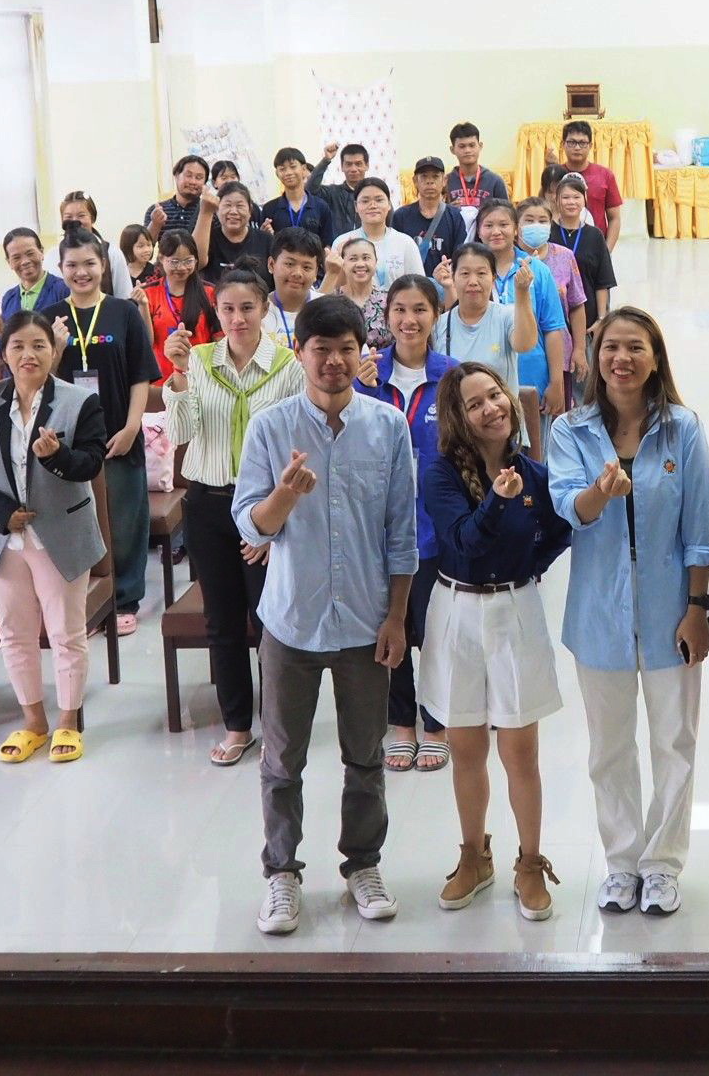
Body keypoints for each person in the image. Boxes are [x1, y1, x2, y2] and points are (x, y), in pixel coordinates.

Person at [238, 295, 418, 936]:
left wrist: (397, 617)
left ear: (361, 353)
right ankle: (282, 874)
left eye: (346, 349)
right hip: (292, 619)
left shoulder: (388, 426)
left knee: (365, 756)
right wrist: (284, 496)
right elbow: (251, 524)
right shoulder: (270, 427)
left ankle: (362, 864)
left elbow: (402, 533)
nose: (335, 361)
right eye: (322, 349)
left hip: (366, 621)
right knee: (282, 759)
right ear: (301, 353)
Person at [550, 307, 709, 917]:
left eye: (635, 347)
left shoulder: (683, 429)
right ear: (595, 359)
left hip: (671, 611)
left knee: (675, 741)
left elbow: (699, 527)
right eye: (610, 348)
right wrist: (600, 491)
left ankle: (662, 864)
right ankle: (622, 862)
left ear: (655, 358)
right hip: (598, 614)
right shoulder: (570, 430)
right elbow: (570, 508)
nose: (621, 358)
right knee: (609, 748)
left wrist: (697, 607)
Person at [419, 362, 573, 920]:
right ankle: (474, 855)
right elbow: (463, 543)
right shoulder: (440, 474)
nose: (492, 409)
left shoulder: (533, 473)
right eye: (475, 403)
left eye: (495, 395)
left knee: (520, 751)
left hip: (515, 612)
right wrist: (497, 501)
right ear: (458, 418)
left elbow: (560, 531)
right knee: (466, 748)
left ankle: (529, 863)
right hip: (457, 610)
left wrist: (529, 565)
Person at [164, 267, 307, 766]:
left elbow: (295, 444)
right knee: (221, 621)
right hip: (207, 503)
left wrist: (269, 526)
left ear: (265, 309)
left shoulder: (289, 367)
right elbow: (180, 434)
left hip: (265, 507)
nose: (237, 318)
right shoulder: (199, 361)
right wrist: (178, 376)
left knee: (270, 620)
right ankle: (237, 726)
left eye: (247, 308)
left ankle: (277, 725)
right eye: (227, 309)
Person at [0, 310, 109, 764]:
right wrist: (0, 513)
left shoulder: (80, 401)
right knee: (14, 633)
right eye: (18, 345)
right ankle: (33, 723)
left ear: (53, 351)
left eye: (39, 345)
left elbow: (91, 463)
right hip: (4, 539)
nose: (28, 354)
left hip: (61, 534)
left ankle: (68, 723)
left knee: (66, 633)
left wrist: (58, 456)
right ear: (3, 353)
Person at [359, 274, 460, 776]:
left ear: (435, 315)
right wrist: (358, 387)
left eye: (419, 309)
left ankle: (436, 723)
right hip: (380, 525)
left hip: (436, 527)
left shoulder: (453, 376)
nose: (409, 320)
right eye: (399, 309)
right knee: (389, 624)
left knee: (435, 628)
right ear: (387, 316)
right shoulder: (367, 375)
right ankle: (401, 721)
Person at [51, 229, 154, 636]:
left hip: (118, 432)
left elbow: (141, 374)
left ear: (104, 266)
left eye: (89, 263)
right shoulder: (51, 318)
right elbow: (38, 379)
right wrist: (55, 349)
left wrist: (132, 426)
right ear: (61, 269)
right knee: (77, 521)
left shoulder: (123, 312)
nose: (81, 272)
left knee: (124, 519)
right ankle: (88, 602)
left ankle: (125, 598)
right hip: (69, 439)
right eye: (72, 265)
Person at [475, 200, 569, 459]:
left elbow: (553, 328)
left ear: (516, 229)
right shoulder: (473, 273)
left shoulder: (537, 270)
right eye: (489, 225)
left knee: (533, 457)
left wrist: (556, 382)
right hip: (485, 380)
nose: (496, 231)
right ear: (479, 231)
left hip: (532, 378)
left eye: (504, 224)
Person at [433, 241, 539, 399]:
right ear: (453, 276)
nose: (473, 281)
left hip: (500, 413)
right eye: (465, 273)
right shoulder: (439, 325)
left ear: (493, 277)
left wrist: (522, 292)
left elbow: (525, 344)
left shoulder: (506, 316)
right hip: (456, 413)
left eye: (481, 273)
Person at [516, 196, 590, 380]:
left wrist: (579, 349)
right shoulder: (509, 259)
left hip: (559, 351)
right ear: (517, 226)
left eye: (542, 221)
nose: (536, 225)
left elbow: (576, 304)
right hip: (519, 354)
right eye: (529, 220)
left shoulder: (565, 256)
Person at [138, 230, 220, 381]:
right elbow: (146, 343)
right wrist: (142, 305)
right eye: (174, 261)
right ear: (161, 258)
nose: (182, 267)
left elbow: (220, 339)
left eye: (188, 261)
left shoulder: (210, 292)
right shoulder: (148, 294)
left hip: (202, 379)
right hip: (162, 381)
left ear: (196, 260)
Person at [0, 227, 71, 352]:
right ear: (9, 262)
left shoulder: (63, 289)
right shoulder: (9, 297)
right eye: (16, 257)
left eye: (30, 253)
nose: (25, 261)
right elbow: (1, 346)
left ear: (41, 252)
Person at [333, 177, 426, 289]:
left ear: (389, 204)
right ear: (356, 206)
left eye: (379, 200)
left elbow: (420, 286)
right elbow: (333, 288)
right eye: (365, 201)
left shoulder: (405, 243)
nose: (373, 206)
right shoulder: (343, 242)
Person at [551, 172, 617, 323]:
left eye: (576, 197)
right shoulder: (548, 233)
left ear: (585, 199)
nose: (571, 202)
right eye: (565, 197)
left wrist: (601, 319)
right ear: (557, 200)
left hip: (589, 317)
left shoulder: (595, 236)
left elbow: (602, 282)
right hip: (553, 318)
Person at [392, 156, 469, 280]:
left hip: (445, 283)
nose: (430, 182)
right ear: (415, 181)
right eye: (424, 176)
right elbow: (395, 256)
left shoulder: (455, 217)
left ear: (444, 180)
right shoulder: (400, 216)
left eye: (435, 176)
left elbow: (460, 256)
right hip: (411, 285)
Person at [556, 118, 626, 247]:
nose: (577, 147)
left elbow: (614, 218)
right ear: (563, 144)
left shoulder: (605, 175)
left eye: (582, 143)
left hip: (595, 246)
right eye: (571, 142)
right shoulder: (555, 175)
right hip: (560, 246)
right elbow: (546, 209)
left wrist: (606, 251)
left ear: (590, 146)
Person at [59, 191, 135, 298]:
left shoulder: (112, 253)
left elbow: (125, 297)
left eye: (81, 215)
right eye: (68, 217)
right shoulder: (53, 255)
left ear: (92, 218)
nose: (75, 221)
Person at [201, 182, 276, 284]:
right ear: (217, 209)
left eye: (240, 206)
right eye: (227, 205)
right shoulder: (208, 238)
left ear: (250, 210)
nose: (233, 211)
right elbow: (198, 262)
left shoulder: (266, 240)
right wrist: (205, 212)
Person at [261, 146, 339, 243]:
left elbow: (328, 242)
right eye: (282, 169)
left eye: (293, 167)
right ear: (277, 173)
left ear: (304, 169)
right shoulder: (269, 208)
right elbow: (265, 243)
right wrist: (264, 235)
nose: (288, 173)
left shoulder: (321, 206)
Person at [329, 235, 393, 351]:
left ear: (375, 262)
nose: (360, 264)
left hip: (382, 361)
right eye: (353, 259)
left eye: (366, 258)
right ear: (343, 263)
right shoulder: (330, 299)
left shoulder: (389, 300)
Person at [265, 228, 325, 350]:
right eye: (289, 264)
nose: (297, 273)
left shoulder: (328, 309)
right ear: (271, 264)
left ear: (316, 272)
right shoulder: (257, 313)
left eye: (306, 267)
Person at [445, 122, 510, 235]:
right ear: (452, 149)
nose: (467, 150)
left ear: (480, 146)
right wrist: (449, 210)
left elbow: (506, 215)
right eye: (462, 146)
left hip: (488, 240)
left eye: (472, 145)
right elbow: (438, 216)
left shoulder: (495, 181)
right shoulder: (446, 182)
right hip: (456, 239)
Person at [143, 154, 213, 241]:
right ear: (176, 176)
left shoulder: (210, 212)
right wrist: (155, 224)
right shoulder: (157, 210)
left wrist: (206, 213)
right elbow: (146, 247)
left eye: (199, 178)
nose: (193, 181)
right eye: (188, 175)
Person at [306, 140, 371, 233]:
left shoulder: (376, 193)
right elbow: (310, 190)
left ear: (367, 166)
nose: (353, 169)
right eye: (348, 164)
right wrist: (326, 160)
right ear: (342, 167)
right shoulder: (332, 192)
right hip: (338, 242)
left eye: (358, 164)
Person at [119, 224, 162, 292]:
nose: (147, 250)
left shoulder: (156, 273)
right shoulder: (119, 272)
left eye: (149, 245)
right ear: (128, 248)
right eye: (141, 246)